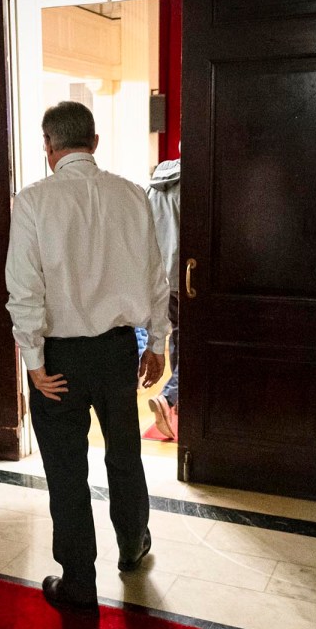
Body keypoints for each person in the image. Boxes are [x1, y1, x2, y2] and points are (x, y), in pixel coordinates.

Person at [6, 101, 170, 612]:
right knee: (125, 454)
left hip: (59, 358)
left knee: (66, 468)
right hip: (120, 350)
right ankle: (132, 546)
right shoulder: (132, 196)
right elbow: (155, 276)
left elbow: (24, 288)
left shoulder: (32, 202)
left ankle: (79, 580)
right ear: (94, 142)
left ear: (48, 147)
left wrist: (33, 362)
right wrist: (158, 342)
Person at [144, 158, 181, 438]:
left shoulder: (154, 186)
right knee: (198, 344)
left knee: (180, 337)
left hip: (163, 278)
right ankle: (170, 398)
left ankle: (178, 405)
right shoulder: (196, 185)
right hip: (191, 276)